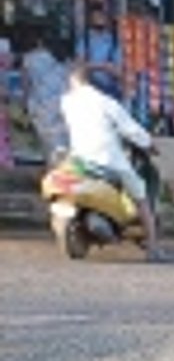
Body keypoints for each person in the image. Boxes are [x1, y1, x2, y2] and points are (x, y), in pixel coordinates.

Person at [60, 62, 165, 261]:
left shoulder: (68, 102)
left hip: (80, 159)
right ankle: (153, 248)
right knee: (141, 197)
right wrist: (151, 145)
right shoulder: (107, 103)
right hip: (108, 160)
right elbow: (133, 131)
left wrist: (96, 67)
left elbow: (78, 75)